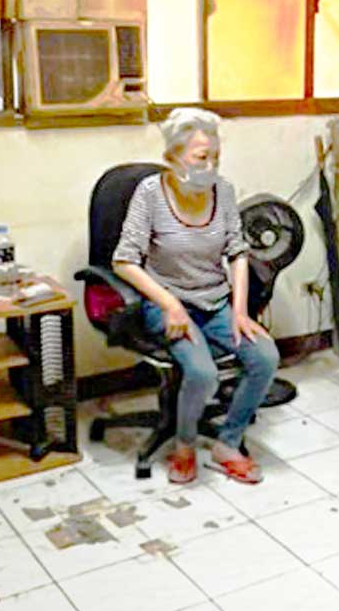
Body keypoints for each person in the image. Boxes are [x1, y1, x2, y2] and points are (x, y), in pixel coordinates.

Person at [112, 106, 279, 485]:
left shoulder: (224, 191)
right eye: (201, 157)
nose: (210, 166)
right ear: (172, 157)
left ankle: (228, 444)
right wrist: (170, 305)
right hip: (167, 304)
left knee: (265, 357)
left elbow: (238, 252)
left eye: (216, 157)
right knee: (202, 372)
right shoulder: (150, 193)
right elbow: (123, 261)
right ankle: (184, 445)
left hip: (215, 302)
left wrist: (240, 311)